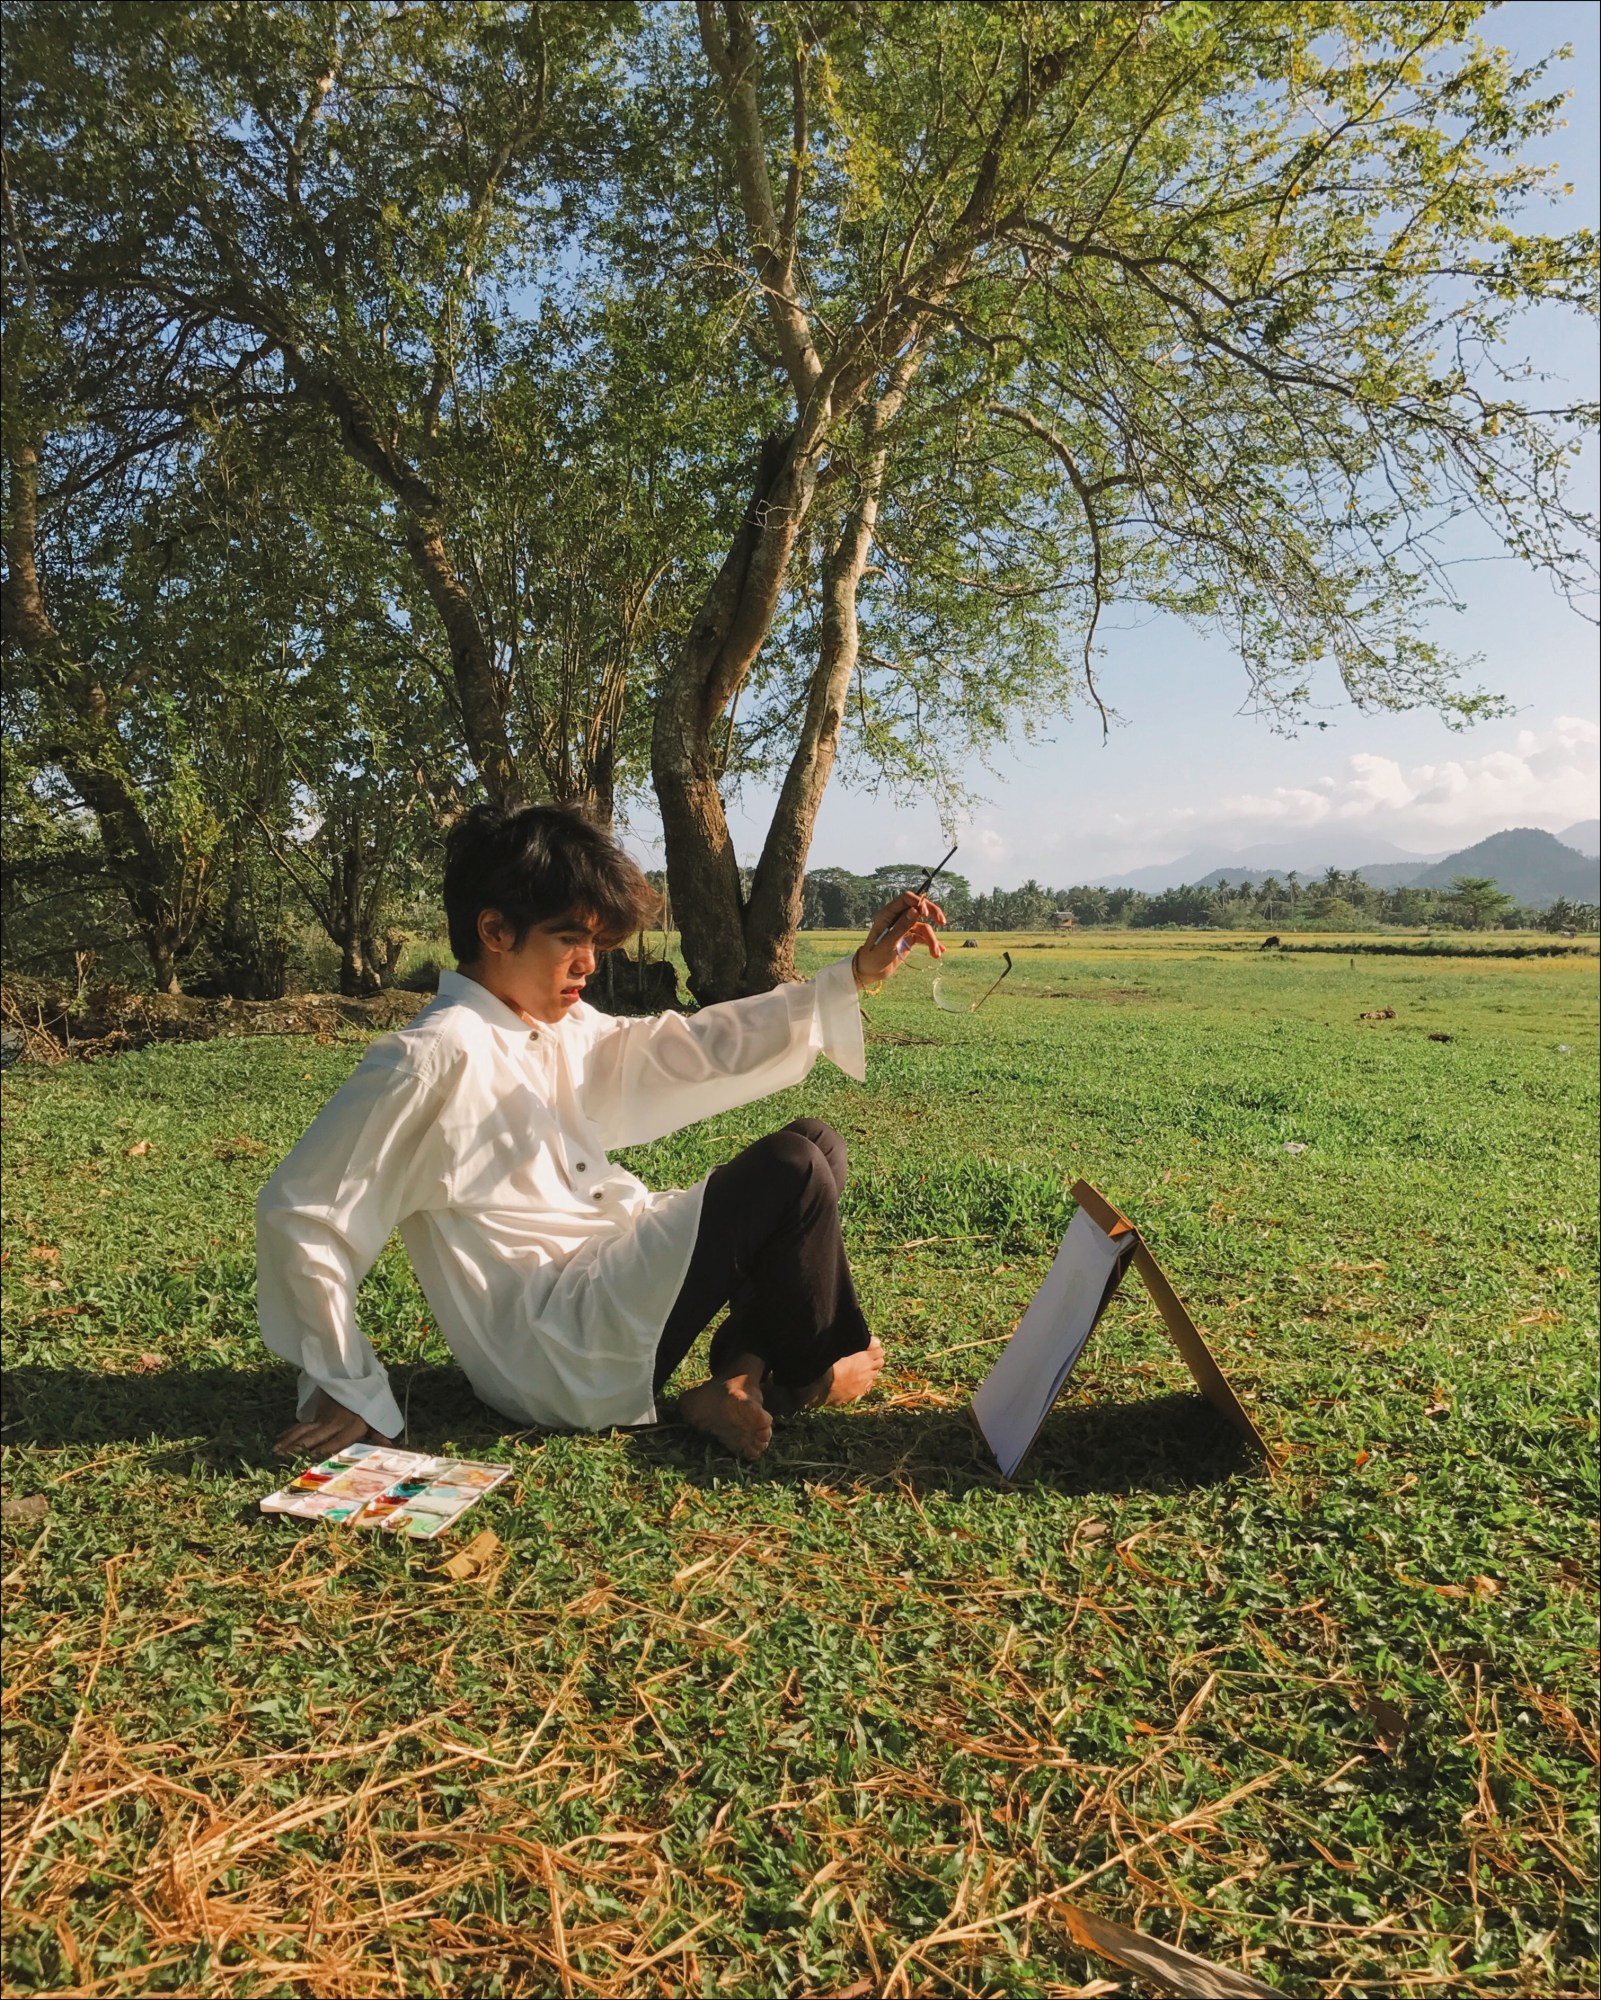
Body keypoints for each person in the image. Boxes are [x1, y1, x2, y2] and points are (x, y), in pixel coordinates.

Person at [258, 803, 946, 1463]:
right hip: (555, 1346)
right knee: (792, 1166)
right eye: (569, 939)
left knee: (815, 1143)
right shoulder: (428, 1056)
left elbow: (690, 1048)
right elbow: (307, 1216)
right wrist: (344, 1382)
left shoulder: (548, 1025)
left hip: (607, 1277)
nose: (589, 963)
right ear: (495, 931)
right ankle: (810, 1376)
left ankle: (737, 1379)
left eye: (594, 941)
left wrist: (851, 977)